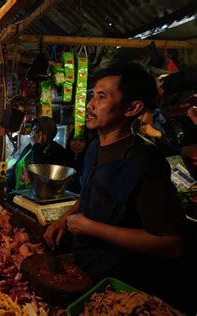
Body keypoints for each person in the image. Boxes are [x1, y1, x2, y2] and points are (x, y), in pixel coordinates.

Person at [43, 62, 193, 312]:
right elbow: (88, 196)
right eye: (92, 96)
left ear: (133, 107)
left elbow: (171, 243)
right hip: (86, 274)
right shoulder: (93, 149)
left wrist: (91, 227)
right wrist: (63, 219)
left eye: (102, 97)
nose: (90, 105)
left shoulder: (145, 162)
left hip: (121, 289)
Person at [6, 116, 67, 191]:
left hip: (41, 196)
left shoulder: (57, 151)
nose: (36, 135)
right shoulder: (30, 147)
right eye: (34, 130)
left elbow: (42, 172)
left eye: (41, 132)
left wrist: (37, 146)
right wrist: (8, 186)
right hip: (20, 195)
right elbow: (17, 167)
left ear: (49, 133)